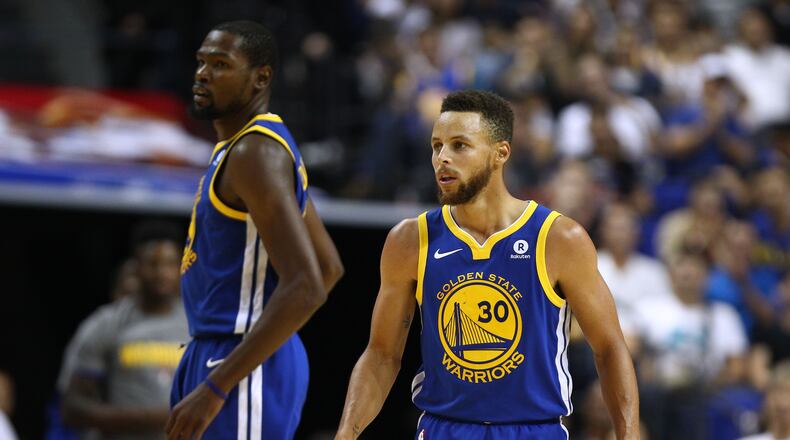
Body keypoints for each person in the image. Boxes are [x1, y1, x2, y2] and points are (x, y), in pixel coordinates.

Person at [336, 90, 638, 439]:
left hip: (533, 431)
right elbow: (381, 354)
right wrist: (346, 433)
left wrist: (627, 435)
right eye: (436, 146)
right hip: (443, 429)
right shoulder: (409, 240)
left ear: (500, 153)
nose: (442, 159)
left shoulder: (558, 238)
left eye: (459, 146)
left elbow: (610, 347)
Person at [165, 20, 344, 440]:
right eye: (201, 62)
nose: (203, 74)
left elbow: (308, 284)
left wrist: (217, 384)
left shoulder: (256, 153)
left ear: (261, 77)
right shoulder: (246, 148)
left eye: (221, 64)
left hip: (238, 361)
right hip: (225, 353)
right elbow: (328, 264)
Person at [60, 221, 188, 439]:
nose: (161, 273)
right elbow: (73, 407)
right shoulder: (106, 323)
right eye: (152, 264)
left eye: (169, 264)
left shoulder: (196, 324)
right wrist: (151, 418)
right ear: (136, 266)